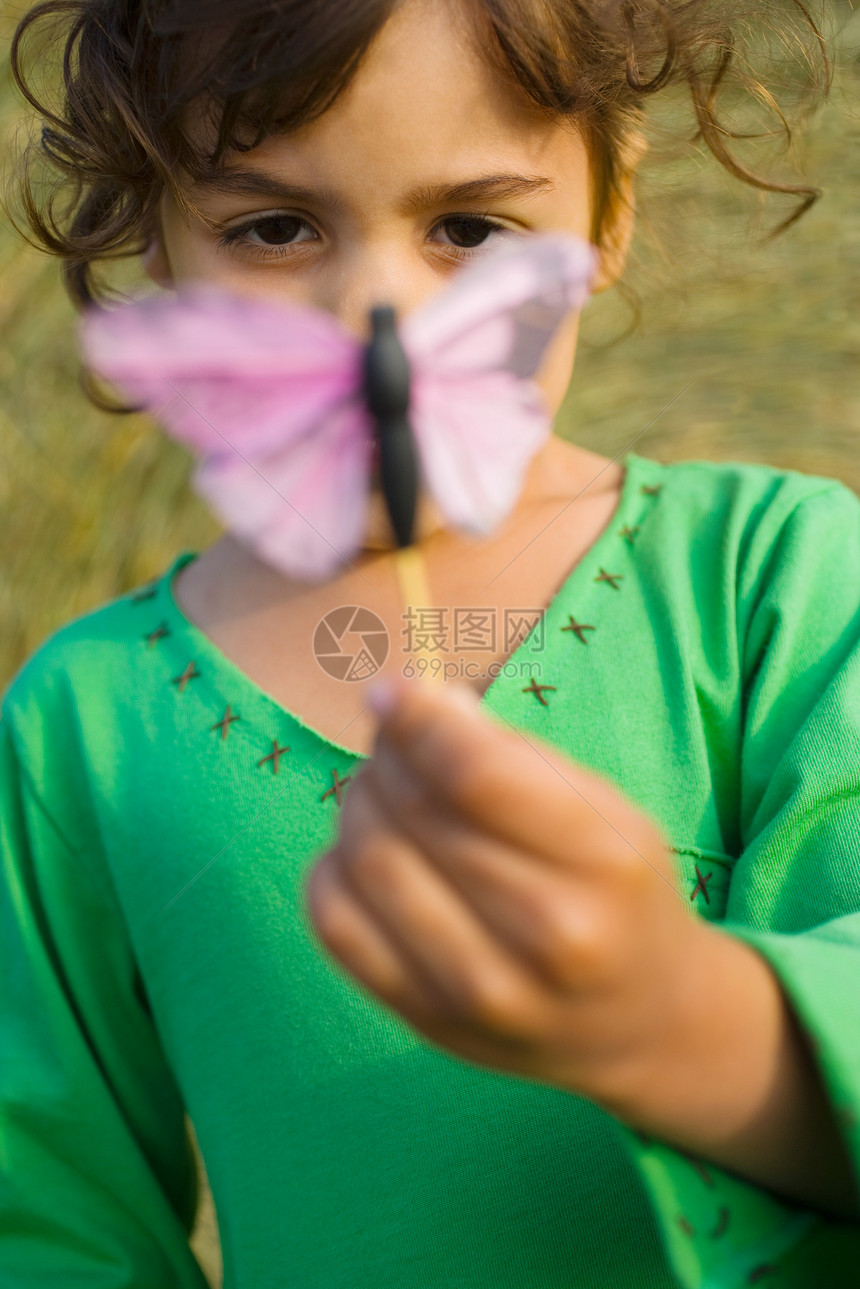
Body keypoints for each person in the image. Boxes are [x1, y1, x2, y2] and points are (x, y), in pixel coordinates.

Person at [2, 1, 859, 1286]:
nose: (376, 313)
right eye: (273, 227)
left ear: (607, 215)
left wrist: (670, 1012)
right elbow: (48, 1223)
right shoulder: (83, 723)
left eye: (469, 226)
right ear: (163, 249)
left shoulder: (770, 582)